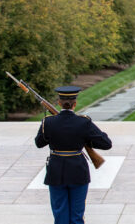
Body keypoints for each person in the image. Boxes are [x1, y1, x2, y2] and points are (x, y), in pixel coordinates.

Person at [35, 86, 112, 224]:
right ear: (75, 104)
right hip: (78, 172)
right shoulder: (84, 122)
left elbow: (39, 143)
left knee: (60, 216)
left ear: (59, 103)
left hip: (56, 172)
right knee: (77, 216)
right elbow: (106, 143)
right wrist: (87, 139)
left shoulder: (49, 122)